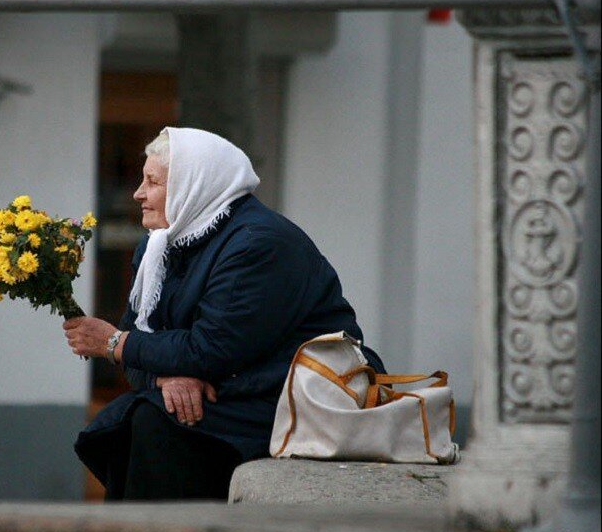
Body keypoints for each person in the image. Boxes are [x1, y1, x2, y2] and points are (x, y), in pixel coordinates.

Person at [64, 126, 385, 501]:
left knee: (149, 422)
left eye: (152, 182)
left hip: (292, 397)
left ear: (191, 185)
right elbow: (141, 348)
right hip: (230, 390)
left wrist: (117, 344)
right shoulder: (158, 246)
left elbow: (210, 349)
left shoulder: (257, 243)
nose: (137, 193)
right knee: (140, 417)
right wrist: (165, 378)